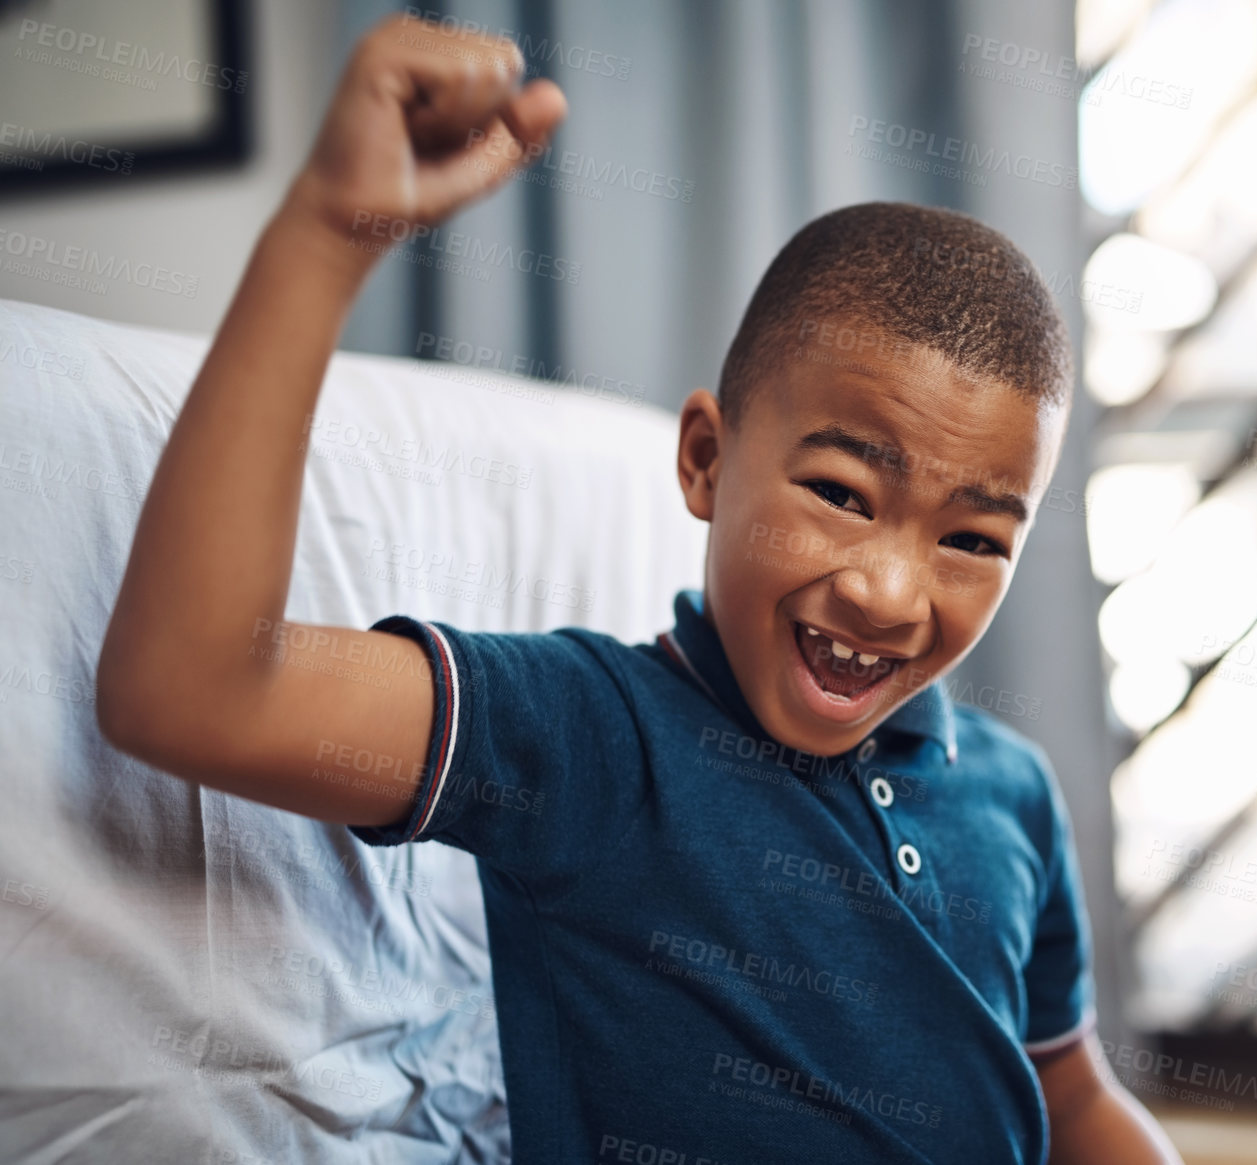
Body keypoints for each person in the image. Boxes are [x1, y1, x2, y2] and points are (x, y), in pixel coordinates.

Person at [96, 13, 1184, 1164]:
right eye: (842, 493)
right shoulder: (592, 738)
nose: (887, 590)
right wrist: (324, 238)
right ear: (705, 461)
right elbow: (193, 687)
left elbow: (1067, 1100)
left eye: (971, 540)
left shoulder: (1013, 793)